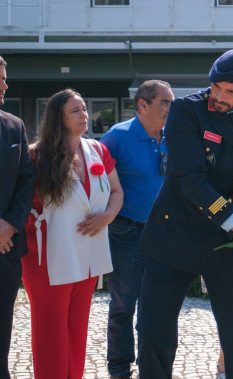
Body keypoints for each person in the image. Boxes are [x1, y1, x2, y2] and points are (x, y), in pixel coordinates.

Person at [137, 49, 233, 379]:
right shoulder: (187, 110)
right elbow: (191, 180)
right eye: (216, 88)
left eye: (231, 92)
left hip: (228, 245)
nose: (220, 97)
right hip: (177, 235)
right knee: (154, 330)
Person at [23, 89, 123, 379]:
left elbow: (116, 191)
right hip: (48, 259)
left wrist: (108, 215)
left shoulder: (98, 149)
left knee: (77, 330)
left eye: (84, 109)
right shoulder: (35, 156)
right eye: (76, 110)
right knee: (51, 334)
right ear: (59, 118)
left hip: (88, 257)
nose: (84, 115)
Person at [100, 80, 174, 379]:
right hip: (126, 232)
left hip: (163, 234)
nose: (171, 108)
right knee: (123, 305)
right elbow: (97, 182)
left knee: (154, 307)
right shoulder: (117, 137)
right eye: (165, 103)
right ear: (143, 105)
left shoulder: (172, 135)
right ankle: (119, 370)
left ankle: (151, 369)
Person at [0, 56, 34, 379]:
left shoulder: (14, 125)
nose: (5, 85)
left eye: (5, 77)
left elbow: (26, 179)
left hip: (6, 248)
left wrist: (10, 223)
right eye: (0, 78)